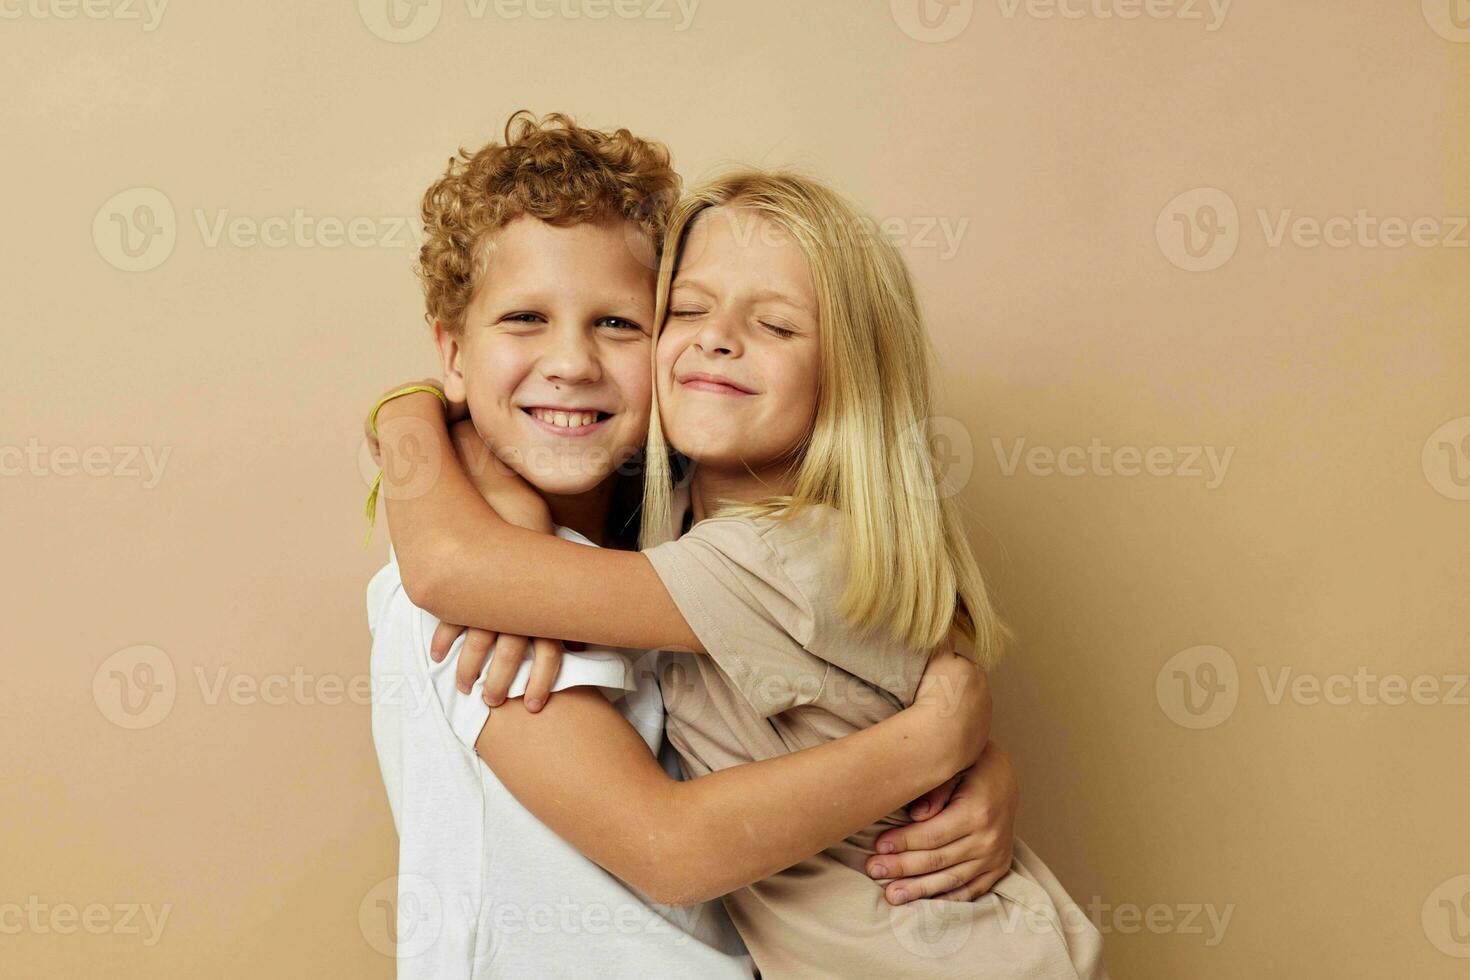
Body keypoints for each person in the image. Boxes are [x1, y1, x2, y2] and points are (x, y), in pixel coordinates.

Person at [375, 165, 1109, 977]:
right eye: (689, 309)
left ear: (846, 374)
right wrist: (941, 742)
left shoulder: (779, 555)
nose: (717, 337)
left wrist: (952, 746)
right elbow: (464, 560)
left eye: (619, 322)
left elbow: (457, 566)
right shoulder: (656, 535)